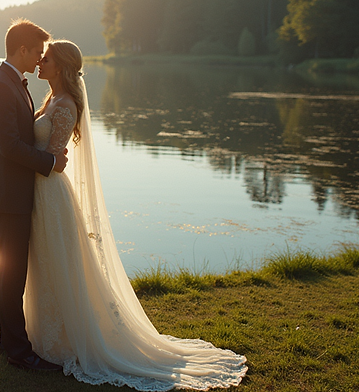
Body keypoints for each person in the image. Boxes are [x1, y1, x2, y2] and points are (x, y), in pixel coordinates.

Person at [24, 39, 248, 390]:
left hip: (50, 192)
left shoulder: (65, 105)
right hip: (40, 191)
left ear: (62, 67)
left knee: (57, 264)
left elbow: (53, 158)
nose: (40, 61)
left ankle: (62, 341)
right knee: (44, 263)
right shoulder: (51, 99)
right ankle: (44, 336)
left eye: (47, 58)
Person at [0, 19, 68, 372]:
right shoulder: (1, 86)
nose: (40, 58)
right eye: (38, 52)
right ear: (23, 50)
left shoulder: (14, 83)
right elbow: (10, 146)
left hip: (14, 192)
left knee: (12, 273)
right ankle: (19, 352)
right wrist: (51, 161)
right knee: (11, 275)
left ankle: (8, 343)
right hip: (8, 195)